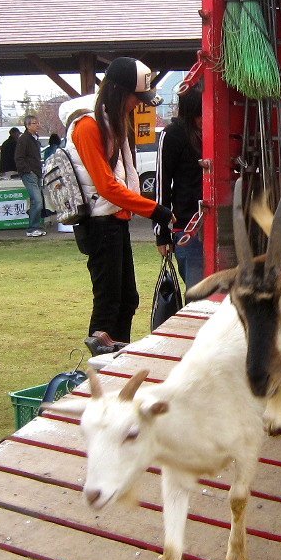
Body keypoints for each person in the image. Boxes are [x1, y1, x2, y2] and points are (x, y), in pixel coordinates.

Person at [63, 57, 173, 355]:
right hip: (100, 226)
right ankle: (102, 369)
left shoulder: (109, 123)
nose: (138, 105)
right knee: (109, 301)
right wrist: (156, 210)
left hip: (115, 222)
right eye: (136, 98)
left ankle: (117, 360)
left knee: (127, 299)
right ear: (119, 92)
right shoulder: (87, 127)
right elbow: (107, 187)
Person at [158, 82, 206, 286]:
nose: (203, 120)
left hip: (218, 227)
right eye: (199, 114)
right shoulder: (172, 134)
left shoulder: (215, 132)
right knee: (197, 296)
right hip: (188, 229)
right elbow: (161, 186)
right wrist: (162, 233)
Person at [15, 111, 46, 237]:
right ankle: (32, 228)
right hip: (29, 173)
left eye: (38, 123)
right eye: (34, 123)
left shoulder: (35, 138)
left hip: (37, 173)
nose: (37, 125)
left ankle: (36, 226)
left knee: (36, 201)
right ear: (28, 125)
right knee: (37, 200)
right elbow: (19, 157)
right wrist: (28, 170)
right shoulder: (24, 139)